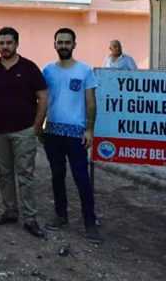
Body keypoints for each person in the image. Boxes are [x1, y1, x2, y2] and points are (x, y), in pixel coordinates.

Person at [0, 27, 47, 238]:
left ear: (16, 43)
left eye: (9, 43)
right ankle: (10, 211)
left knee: (25, 175)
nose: (5, 47)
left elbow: (43, 97)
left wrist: (36, 126)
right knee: (4, 174)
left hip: (24, 130)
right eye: (1, 43)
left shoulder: (29, 68)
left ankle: (30, 218)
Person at [42, 28, 103, 243]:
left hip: (76, 134)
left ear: (74, 45)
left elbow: (91, 103)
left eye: (67, 42)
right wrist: (39, 127)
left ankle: (90, 222)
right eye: (60, 42)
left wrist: (89, 130)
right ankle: (61, 216)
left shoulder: (85, 71)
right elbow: (42, 100)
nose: (63, 46)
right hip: (53, 132)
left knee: (81, 178)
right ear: (55, 45)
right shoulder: (47, 71)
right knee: (57, 176)